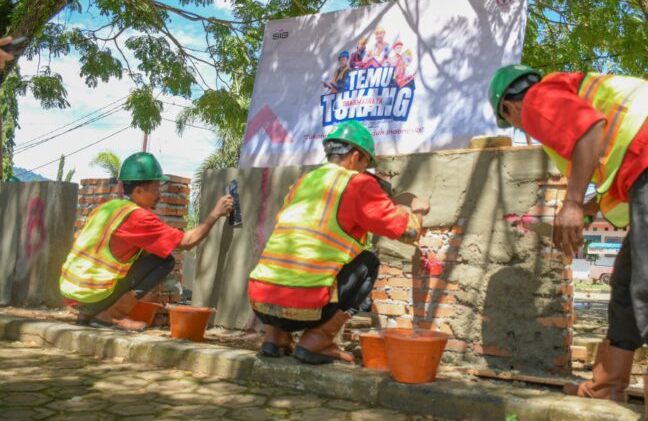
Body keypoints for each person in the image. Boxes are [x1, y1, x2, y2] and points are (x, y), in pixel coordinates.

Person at [488, 65, 648, 421]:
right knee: (627, 279)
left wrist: (572, 203)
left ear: (509, 108)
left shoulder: (536, 99)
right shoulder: (571, 91)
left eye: (514, 123)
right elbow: (614, 171)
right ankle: (608, 384)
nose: (523, 128)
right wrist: (583, 208)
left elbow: (589, 131)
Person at [248, 121, 430, 364]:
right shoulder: (356, 183)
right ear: (356, 156)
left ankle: (275, 337)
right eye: (366, 163)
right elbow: (407, 232)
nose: (366, 171)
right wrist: (418, 212)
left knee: (298, 262)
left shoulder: (302, 182)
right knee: (368, 263)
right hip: (304, 308)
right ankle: (317, 340)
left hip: (262, 303)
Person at [60, 152, 234, 331]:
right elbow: (187, 242)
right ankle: (111, 316)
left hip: (71, 292)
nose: (159, 195)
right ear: (139, 191)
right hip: (92, 295)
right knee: (164, 261)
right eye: (155, 189)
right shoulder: (138, 218)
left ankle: (86, 316)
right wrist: (215, 213)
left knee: (144, 255)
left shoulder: (107, 208)